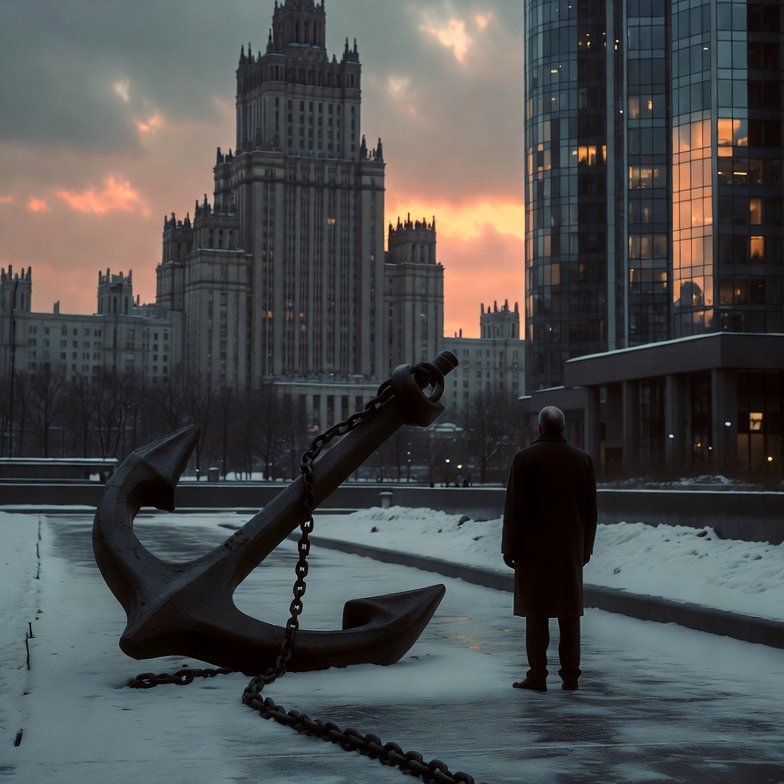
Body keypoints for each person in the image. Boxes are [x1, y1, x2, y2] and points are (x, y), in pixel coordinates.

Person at [502, 406, 597, 692]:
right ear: (563, 428)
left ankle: (537, 674)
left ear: (540, 428)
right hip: (569, 550)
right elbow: (590, 511)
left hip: (533, 551)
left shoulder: (524, 459)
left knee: (536, 613)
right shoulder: (583, 461)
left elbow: (514, 509)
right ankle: (570, 676)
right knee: (569, 614)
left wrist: (509, 548)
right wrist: (585, 549)